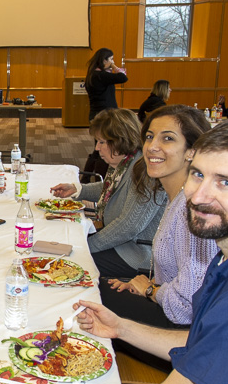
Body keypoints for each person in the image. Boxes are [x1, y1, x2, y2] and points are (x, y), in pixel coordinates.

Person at [75, 116, 228, 384]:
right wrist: (121, 328)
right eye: (198, 174)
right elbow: (207, 343)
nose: (198, 195)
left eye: (226, 183)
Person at [100, 105, 218, 330]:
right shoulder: (178, 198)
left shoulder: (192, 209)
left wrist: (149, 290)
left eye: (168, 138)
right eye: (149, 137)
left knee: (86, 293)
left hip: (180, 326)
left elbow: (186, 307)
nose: (152, 147)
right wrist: (144, 285)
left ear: (191, 151)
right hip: (165, 302)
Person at [51, 108, 166, 278]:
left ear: (120, 140)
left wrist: (87, 245)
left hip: (135, 254)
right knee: (62, 239)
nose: (97, 148)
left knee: (68, 262)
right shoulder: (127, 163)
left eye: (102, 142)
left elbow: (128, 227)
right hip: (119, 242)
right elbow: (112, 189)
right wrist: (79, 189)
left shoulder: (145, 172)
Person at [82, 48, 128, 181]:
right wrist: (114, 66)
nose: (113, 62)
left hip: (97, 114)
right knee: (103, 148)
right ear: (103, 60)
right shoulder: (100, 75)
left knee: (98, 148)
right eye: (111, 59)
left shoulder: (94, 74)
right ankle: (99, 179)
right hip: (104, 116)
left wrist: (110, 66)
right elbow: (123, 77)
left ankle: (87, 178)